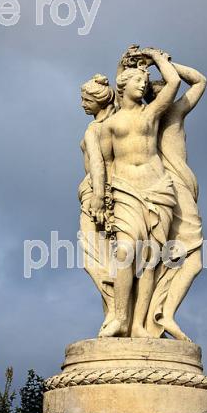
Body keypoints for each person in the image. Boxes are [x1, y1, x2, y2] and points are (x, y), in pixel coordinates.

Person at [96, 48, 181, 337]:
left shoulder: (152, 113)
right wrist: (100, 199)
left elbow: (173, 83)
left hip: (157, 189)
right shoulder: (108, 125)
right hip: (125, 190)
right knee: (125, 251)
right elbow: (105, 164)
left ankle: (140, 324)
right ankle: (119, 318)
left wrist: (157, 58)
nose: (143, 85)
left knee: (151, 257)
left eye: (145, 82)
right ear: (123, 86)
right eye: (137, 82)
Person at [145, 61, 207, 341]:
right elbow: (199, 81)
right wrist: (163, 61)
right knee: (192, 259)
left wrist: (161, 61)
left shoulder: (162, 114)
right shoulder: (167, 114)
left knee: (163, 258)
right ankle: (164, 314)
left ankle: (157, 317)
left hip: (166, 189)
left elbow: (200, 82)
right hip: (173, 190)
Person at [78, 74, 116, 333]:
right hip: (115, 195)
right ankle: (115, 310)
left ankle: (115, 310)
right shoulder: (116, 122)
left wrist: (98, 199)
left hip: (97, 197)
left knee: (92, 258)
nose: (82, 104)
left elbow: (97, 166)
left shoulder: (95, 129)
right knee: (112, 259)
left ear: (100, 101)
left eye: (86, 99)